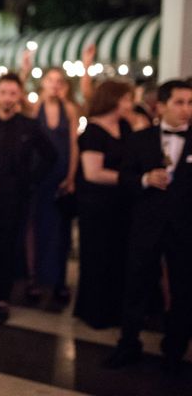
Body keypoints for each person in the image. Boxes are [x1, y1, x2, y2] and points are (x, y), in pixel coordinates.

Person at [105, 80, 192, 373]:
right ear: (162, 105)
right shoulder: (140, 139)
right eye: (180, 102)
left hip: (184, 228)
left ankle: (175, 349)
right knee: (136, 286)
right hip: (146, 225)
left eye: (190, 103)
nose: (186, 109)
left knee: (183, 289)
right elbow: (124, 179)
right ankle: (128, 344)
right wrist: (145, 179)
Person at [0, 73, 56, 320]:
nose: (7, 98)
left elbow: (51, 156)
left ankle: (1, 299)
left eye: (13, 93)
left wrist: (29, 181)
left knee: (5, 251)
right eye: (4, 92)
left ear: (19, 96)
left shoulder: (29, 126)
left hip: (14, 200)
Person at [74, 80, 134, 329]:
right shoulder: (94, 132)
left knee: (118, 257)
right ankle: (96, 312)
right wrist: (134, 179)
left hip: (121, 204)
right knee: (98, 257)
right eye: (128, 98)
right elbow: (93, 173)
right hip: (97, 206)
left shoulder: (125, 125)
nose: (132, 103)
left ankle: (116, 309)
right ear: (115, 100)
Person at [24, 67, 79, 302]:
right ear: (43, 83)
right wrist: (25, 71)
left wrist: (71, 176)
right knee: (36, 228)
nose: (55, 85)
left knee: (62, 231)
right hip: (40, 176)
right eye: (50, 80)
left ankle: (59, 281)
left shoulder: (69, 109)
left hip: (61, 176)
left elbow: (74, 144)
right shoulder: (36, 107)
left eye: (59, 81)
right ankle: (34, 279)